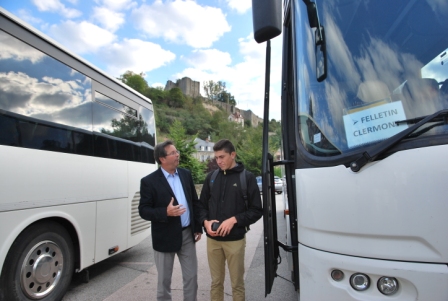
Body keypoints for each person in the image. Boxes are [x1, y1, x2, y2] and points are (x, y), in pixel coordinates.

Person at [198, 139, 263, 301]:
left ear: (233, 155)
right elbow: (201, 207)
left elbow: (257, 210)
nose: (219, 161)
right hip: (212, 240)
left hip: (235, 240)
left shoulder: (246, 178)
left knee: (237, 285)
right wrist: (205, 222)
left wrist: (234, 220)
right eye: (216, 158)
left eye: (222, 157)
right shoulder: (211, 178)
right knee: (216, 283)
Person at [139, 140, 203, 301]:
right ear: (162, 158)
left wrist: (197, 226)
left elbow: (194, 202)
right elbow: (143, 210)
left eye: (177, 151)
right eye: (173, 153)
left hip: (187, 234)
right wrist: (165, 212)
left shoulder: (185, 174)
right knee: (164, 282)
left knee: (191, 278)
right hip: (164, 237)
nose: (177, 155)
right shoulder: (149, 181)